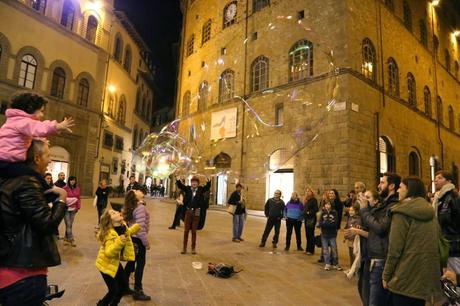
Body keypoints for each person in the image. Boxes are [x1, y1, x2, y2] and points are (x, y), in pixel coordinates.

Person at [0, 139, 68, 306]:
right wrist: (62, 201)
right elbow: (46, 224)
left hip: (11, 270)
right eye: (48, 155)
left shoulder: (10, 180)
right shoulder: (27, 182)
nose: (50, 160)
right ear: (37, 158)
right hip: (23, 275)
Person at [382, 177, 443, 305]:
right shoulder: (430, 211)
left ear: (409, 190)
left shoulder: (401, 212)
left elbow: (394, 249)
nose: (398, 190)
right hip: (423, 281)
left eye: (401, 187)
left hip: (404, 279)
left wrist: (386, 275)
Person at [0, 92, 74, 177]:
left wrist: (39, 139)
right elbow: (39, 128)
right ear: (30, 108)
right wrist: (57, 126)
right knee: (34, 176)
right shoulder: (23, 121)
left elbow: (28, 134)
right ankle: (47, 188)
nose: (42, 115)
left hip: (6, 160)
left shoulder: (16, 121)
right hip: (7, 162)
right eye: (41, 111)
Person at [359, 172, 400, 306]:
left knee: (375, 301)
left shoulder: (392, 205)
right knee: (368, 294)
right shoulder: (384, 204)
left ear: (392, 186)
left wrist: (365, 210)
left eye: (382, 182)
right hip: (374, 254)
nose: (379, 185)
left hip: (381, 257)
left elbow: (380, 228)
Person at [95, 209, 140, 306]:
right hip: (105, 264)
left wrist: (135, 228)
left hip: (114, 262)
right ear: (110, 220)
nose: (117, 212)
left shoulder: (122, 226)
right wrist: (119, 242)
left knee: (123, 287)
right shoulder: (109, 233)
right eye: (113, 213)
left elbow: (126, 234)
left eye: (116, 211)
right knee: (113, 290)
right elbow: (109, 252)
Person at [123, 190, 151, 301]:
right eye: (136, 191)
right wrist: (146, 243)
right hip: (138, 240)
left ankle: (123, 287)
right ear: (135, 196)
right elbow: (140, 229)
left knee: (131, 263)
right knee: (140, 264)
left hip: (132, 239)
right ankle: (138, 290)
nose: (139, 190)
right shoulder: (140, 208)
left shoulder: (134, 206)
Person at [433, 170, 460, 274]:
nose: (435, 180)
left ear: (448, 181)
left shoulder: (453, 198)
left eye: (440, 178)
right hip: (443, 244)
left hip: (452, 245)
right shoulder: (439, 198)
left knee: (454, 278)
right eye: (435, 177)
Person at [176, 176, 211, 254]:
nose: (194, 183)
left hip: (197, 211)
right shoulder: (188, 189)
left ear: (198, 183)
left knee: (194, 231)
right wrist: (178, 180)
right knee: (186, 230)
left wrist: (208, 181)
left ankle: (193, 248)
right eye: (193, 182)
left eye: (195, 182)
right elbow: (180, 186)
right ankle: (184, 248)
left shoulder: (201, 189)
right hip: (188, 211)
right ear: (191, 183)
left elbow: (207, 187)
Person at [318, 200, 342, 271]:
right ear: (324, 205)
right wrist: (328, 223)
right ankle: (327, 263)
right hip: (324, 234)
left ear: (331, 205)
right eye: (326, 204)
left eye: (329, 204)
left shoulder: (335, 213)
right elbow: (320, 223)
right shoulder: (322, 213)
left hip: (332, 235)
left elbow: (335, 224)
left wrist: (325, 223)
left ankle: (335, 263)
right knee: (325, 250)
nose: (327, 206)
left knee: (334, 249)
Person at [63, 176, 81, 247]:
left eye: (74, 180)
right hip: (66, 209)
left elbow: (78, 198)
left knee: (69, 224)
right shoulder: (65, 188)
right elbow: (62, 197)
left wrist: (78, 207)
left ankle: (65, 238)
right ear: (69, 181)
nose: (73, 181)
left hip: (74, 209)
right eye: (71, 180)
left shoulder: (77, 188)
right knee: (68, 224)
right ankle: (71, 239)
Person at [343, 202, 362, 267]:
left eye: (352, 210)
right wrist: (345, 236)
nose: (350, 212)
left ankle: (354, 269)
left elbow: (356, 230)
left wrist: (348, 235)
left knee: (354, 255)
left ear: (356, 211)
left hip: (354, 240)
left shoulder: (358, 219)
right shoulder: (350, 218)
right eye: (350, 210)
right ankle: (351, 268)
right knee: (351, 254)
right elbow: (347, 227)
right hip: (350, 239)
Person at [303, 187, 318, 255]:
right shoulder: (307, 200)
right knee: (307, 234)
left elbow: (316, 209)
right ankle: (307, 249)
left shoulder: (314, 200)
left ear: (312, 192)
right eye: (307, 191)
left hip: (311, 219)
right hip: (307, 219)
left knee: (311, 234)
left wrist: (309, 212)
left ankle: (311, 250)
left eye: (309, 191)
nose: (307, 192)